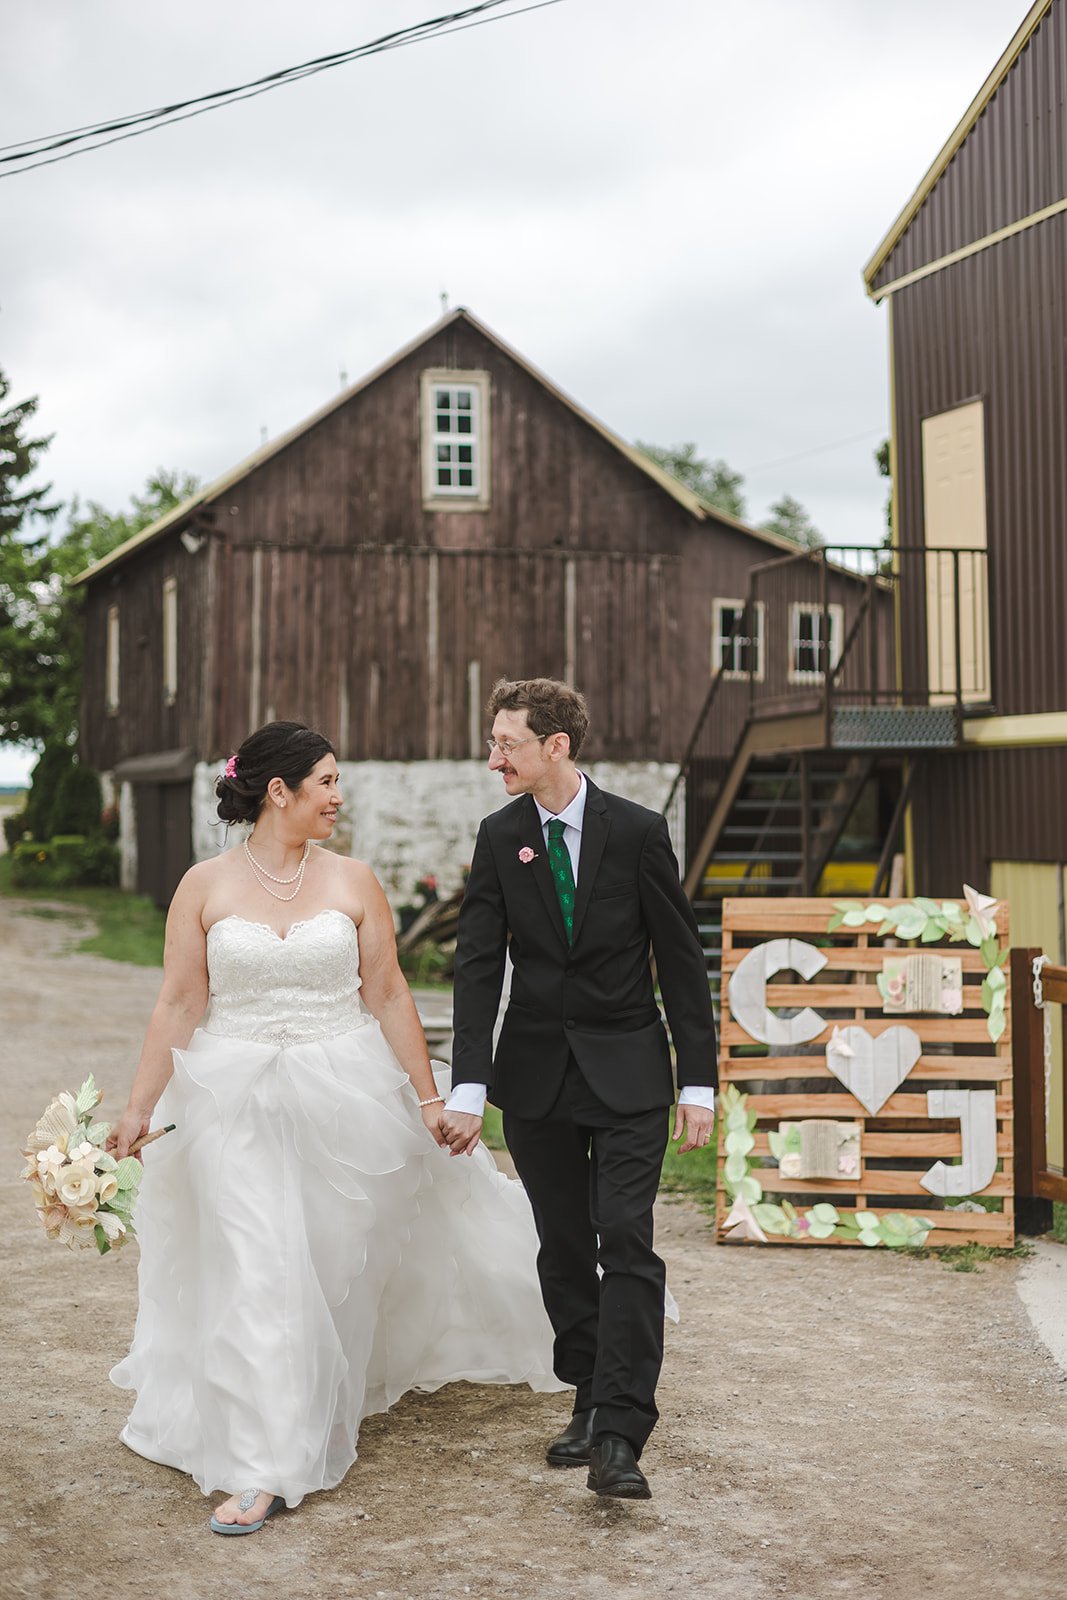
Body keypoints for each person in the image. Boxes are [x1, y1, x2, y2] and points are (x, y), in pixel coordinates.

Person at [107, 720, 561, 1535]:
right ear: (276, 792)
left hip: (344, 1093)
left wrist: (429, 1100)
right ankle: (265, 1464)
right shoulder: (202, 885)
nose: (337, 797)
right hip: (230, 1100)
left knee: (323, 1270)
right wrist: (141, 1106)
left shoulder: (353, 879)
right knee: (258, 1269)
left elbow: (386, 994)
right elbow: (179, 1001)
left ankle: (309, 1402)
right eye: (325, 783)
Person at [440, 679, 717, 1501]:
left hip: (629, 1072)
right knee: (562, 1246)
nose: (494, 758)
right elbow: (477, 966)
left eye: (506, 743)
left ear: (554, 745)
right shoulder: (499, 837)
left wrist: (696, 1080)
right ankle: (588, 1391)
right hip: (534, 1079)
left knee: (623, 1237)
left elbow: (678, 960)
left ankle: (621, 1432)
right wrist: (467, 1083)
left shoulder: (636, 831)